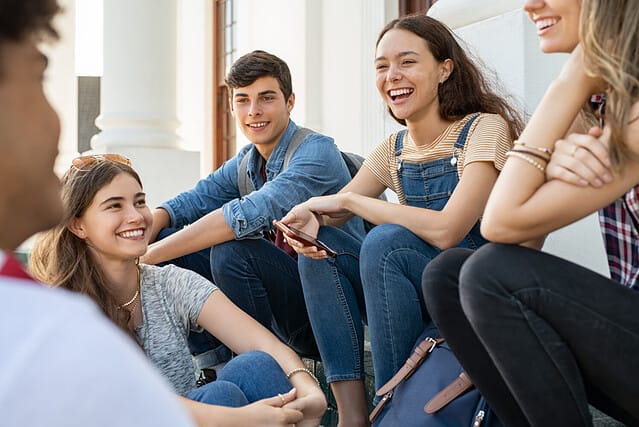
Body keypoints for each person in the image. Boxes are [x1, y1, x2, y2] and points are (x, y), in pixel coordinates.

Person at [279, 14, 523, 426]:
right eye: (381, 66)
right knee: (320, 251)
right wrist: (311, 216)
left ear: (445, 69)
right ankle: (354, 416)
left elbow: (449, 230)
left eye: (407, 62)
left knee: (386, 242)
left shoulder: (483, 129)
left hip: (471, 290)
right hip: (411, 291)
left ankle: (392, 411)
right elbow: (339, 207)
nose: (392, 76)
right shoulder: (392, 148)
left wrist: (352, 204)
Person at [422, 0, 639, 426]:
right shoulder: (602, 105)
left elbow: (499, 223)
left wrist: (571, 77)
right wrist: (548, 162)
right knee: (448, 275)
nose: (529, 4)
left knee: (488, 274)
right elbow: (516, 242)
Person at [0, 1, 195, 426]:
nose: (56, 122)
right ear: (78, 225)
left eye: (139, 201)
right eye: (38, 79)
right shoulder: (47, 332)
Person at [29, 156, 327, 427]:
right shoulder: (66, 309)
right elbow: (129, 403)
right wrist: (239, 418)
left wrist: (308, 388)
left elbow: (264, 344)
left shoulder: (167, 284)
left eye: (140, 202)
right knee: (221, 396)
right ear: (78, 225)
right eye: (114, 206)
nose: (136, 217)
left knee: (256, 366)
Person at [141, 50, 365, 363]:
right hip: (280, 300)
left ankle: (256, 365)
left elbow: (243, 216)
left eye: (266, 98)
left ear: (290, 102)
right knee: (167, 236)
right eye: (242, 100)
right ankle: (214, 361)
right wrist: (141, 236)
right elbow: (191, 201)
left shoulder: (317, 151)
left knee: (233, 251)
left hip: (329, 310)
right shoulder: (248, 160)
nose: (253, 111)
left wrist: (144, 258)